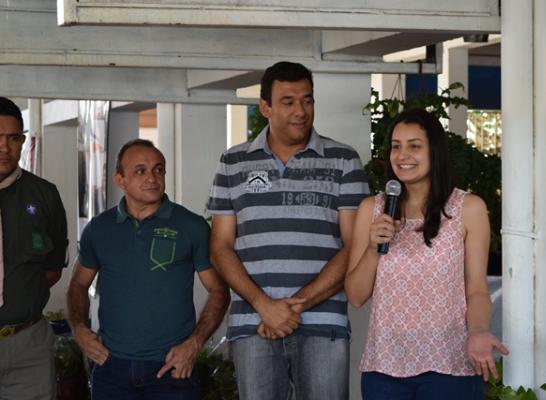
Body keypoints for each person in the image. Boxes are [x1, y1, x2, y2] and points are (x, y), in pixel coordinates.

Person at [207, 61, 369, 400]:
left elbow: (355, 246)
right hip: (254, 326)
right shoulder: (233, 162)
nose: (300, 111)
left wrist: (293, 307)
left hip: (324, 325)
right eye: (288, 101)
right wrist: (264, 306)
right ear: (264, 107)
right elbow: (220, 247)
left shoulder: (343, 160)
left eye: (307, 100)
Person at [345, 108, 508, 400]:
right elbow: (356, 296)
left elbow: (477, 290)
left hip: (449, 364)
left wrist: (479, 331)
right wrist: (372, 249)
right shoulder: (373, 209)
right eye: (396, 146)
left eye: (414, 146)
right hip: (384, 367)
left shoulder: (468, 208)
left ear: (435, 152)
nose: (403, 155)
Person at [67, 139, 230, 400]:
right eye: (140, 171)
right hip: (112, 367)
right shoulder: (99, 229)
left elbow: (219, 290)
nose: (152, 178)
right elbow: (78, 285)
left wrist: (194, 343)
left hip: (172, 367)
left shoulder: (192, 226)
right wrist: (79, 329)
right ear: (120, 180)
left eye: (159, 169)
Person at [0, 97, 69, 399]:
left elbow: (53, 269)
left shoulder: (44, 195)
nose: (4, 147)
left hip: (27, 346)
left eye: (13, 138)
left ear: (22, 141)